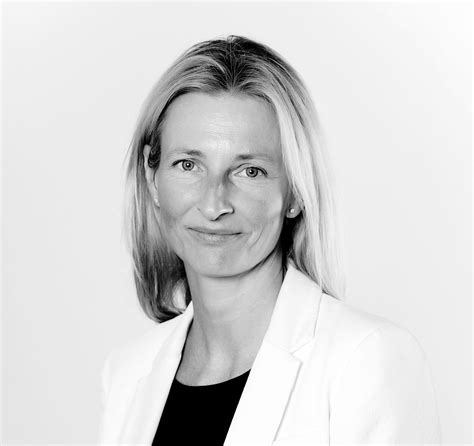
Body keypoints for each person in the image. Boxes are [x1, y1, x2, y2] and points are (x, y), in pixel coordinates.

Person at [98, 35, 441, 445]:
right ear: (152, 178)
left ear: (295, 192)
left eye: (250, 171)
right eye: (188, 164)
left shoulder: (366, 362)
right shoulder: (127, 374)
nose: (214, 204)